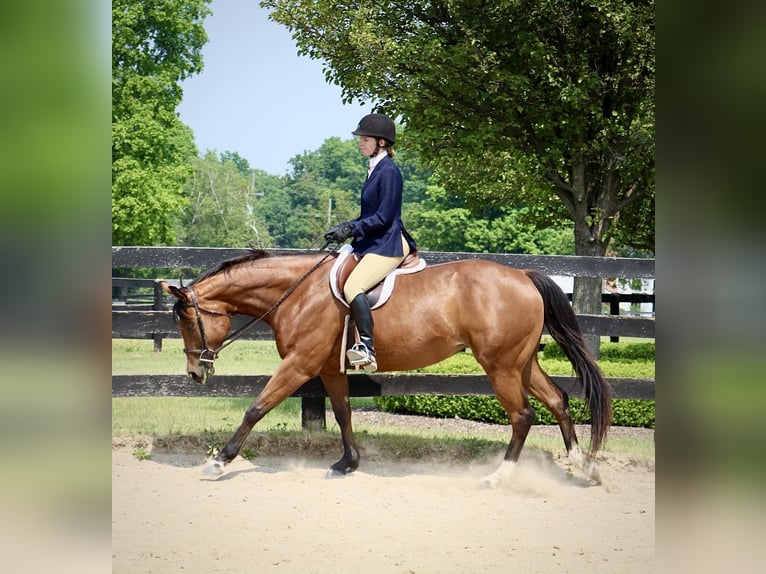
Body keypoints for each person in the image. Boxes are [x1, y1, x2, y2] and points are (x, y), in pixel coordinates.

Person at [324, 113, 417, 372]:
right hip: (373, 241)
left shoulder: (389, 172)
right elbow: (369, 217)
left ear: (382, 143)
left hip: (388, 243)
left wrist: (351, 227)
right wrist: (344, 228)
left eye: (365, 139)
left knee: (353, 287)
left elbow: (384, 217)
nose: (360, 143)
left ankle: (366, 347)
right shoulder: (374, 169)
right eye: (361, 139)